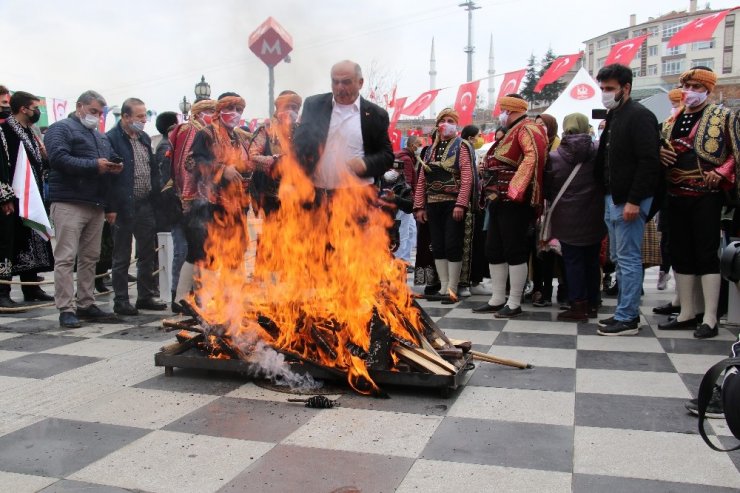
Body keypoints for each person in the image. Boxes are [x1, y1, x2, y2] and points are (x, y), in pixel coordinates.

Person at [657, 67, 739, 339]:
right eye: (686, 85)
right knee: (681, 253)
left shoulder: (723, 116)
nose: (689, 90)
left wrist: (722, 172)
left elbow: (735, 153)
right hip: (675, 192)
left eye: (695, 85)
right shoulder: (672, 120)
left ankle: (711, 317)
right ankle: (687, 312)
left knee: (706, 255)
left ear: (707, 89)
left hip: (707, 194)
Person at [45, 90, 122, 328]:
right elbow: (57, 158)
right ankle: (66, 308)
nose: (96, 117)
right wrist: (94, 165)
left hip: (95, 203)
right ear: (80, 107)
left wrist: (114, 165)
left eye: (100, 113)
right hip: (69, 202)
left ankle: (86, 303)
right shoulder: (61, 128)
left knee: (90, 257)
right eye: (93, 111)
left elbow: (106, 164)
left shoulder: (100, 137)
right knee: (66, 257)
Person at [594, 64, 661, 336]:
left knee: (629, 258)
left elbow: (649, 161)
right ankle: (623, 311)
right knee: (619, 257)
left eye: (609, 89)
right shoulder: (615, 115)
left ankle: (628, 317)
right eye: (602, 89)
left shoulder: (639, 115)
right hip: (613, 196)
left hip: (630, 199)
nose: (605, 94)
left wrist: (634, 200)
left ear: (626, 88)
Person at [174, 93, 251, 309]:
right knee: (205, 253)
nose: (235, 114)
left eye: (239, 110)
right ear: (219, 111)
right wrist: (221, 170)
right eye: (231, 109)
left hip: (236, 205)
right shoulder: (205, 134)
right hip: (208, 203)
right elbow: (195, 162)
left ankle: (230, 299)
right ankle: (189, 300)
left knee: (235, 252)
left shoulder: (238, 137)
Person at [475, 94, 548, 318]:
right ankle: (498, 298)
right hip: (497, 201)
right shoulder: (511, 131)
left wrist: (515, 189)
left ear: (511, 109)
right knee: (494, 249)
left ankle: (514, 302)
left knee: (514, 250)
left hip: (514, 202)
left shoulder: (527, 128)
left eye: (503, 110)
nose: (501, 114)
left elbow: (532, 157)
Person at [293, 60, 393, 192]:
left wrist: (366, 164)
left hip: (358, 195)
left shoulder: (376, 115)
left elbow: (387, 156)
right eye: (335, 82)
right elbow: (300, 146)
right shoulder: (314, 105)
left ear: (360, 83)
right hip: (318, 194)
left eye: (346, 82)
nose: (340, 87)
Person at [106, 98, 166, 316]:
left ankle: (145, 295)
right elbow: (109, 178)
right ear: (125, 117)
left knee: (147, 252)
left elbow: (151, 169)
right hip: (123, 205)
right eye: (139, 116)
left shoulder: (142, 137)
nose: (144, 120)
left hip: (145, 203)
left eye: (145, 116)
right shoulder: (112, 138)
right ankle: (121, 299)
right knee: (121, 254)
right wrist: (110, 207)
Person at [544, 113, 605, 321]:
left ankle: (578, 305)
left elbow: (549, 187)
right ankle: (594, 303)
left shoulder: (555, 156)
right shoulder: (598, 151)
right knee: (592, 260)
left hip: (566, 216)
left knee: (573, 261)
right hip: (595, 214)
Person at [413, 108, 475, 303]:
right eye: (442, 120)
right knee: (437, 246)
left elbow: (467, 178)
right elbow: (422, 179)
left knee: (452, 244)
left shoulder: (462, 146)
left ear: (456, 124)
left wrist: (461, 204)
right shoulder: (429, 150)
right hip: (433, 204)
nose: (445, 124)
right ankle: (442, 287)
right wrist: (420, 206)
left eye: (450, 120)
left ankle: (452, 289)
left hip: (452, 204)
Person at [0, 91, 55, 305]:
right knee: (8, 243)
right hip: (11, 197)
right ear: (23, 109)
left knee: (33, 239)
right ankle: (3, 291)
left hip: (32, 196)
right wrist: (4, 196)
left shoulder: (30, 131)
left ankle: (31, 287)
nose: (37, 113)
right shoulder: (4, 130)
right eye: (35, 108)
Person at [168, 99, 215, 312]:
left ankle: (193, 297)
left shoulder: (202, 130)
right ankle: (181, 298)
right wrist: (189, 198)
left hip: (203, 200)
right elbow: (187, 166)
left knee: (202, 252)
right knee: (197, 252)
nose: (211, 114)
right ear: (197, 113)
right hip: (194, 201)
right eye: (208, 111)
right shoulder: (191, 131)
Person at [531, 113, 566, 308]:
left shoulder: (560, 147)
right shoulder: (534, 146)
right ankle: (540, 289)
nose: (539, 128)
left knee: (557, 249)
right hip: (538, 205)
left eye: (543, 125)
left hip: (557, 205)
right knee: (539, 251)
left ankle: (562, 287)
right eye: (536, 125)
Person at [248, 90, 302, 217]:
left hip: (298, 195)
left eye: (294, 107)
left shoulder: (303, 131)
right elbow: (252, 157)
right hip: (271, 197)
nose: (290, 110)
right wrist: (275, 160)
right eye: (286, 106)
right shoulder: (266, 130)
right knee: (272, 234)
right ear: (278, 109)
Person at [459, 124, 490, 296]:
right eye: (478, 135)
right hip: (467, 206)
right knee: (468, 246)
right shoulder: (464, 149)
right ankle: (468, 281)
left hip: (476, 205)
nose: (480, 138)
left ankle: (475, 280)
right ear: (470, 137)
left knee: (477, 245)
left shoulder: (470, 150)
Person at [393, 135, 422, 269]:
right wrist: (412, 199)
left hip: (403, 200)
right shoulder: (406, 159)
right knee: (403, 232)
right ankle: (399, 261)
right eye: (418, 144)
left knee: (411, 230)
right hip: (404, 201)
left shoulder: (407, 157)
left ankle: (404, 259)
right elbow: (407, 182)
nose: (419, 147)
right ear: (411, 145)